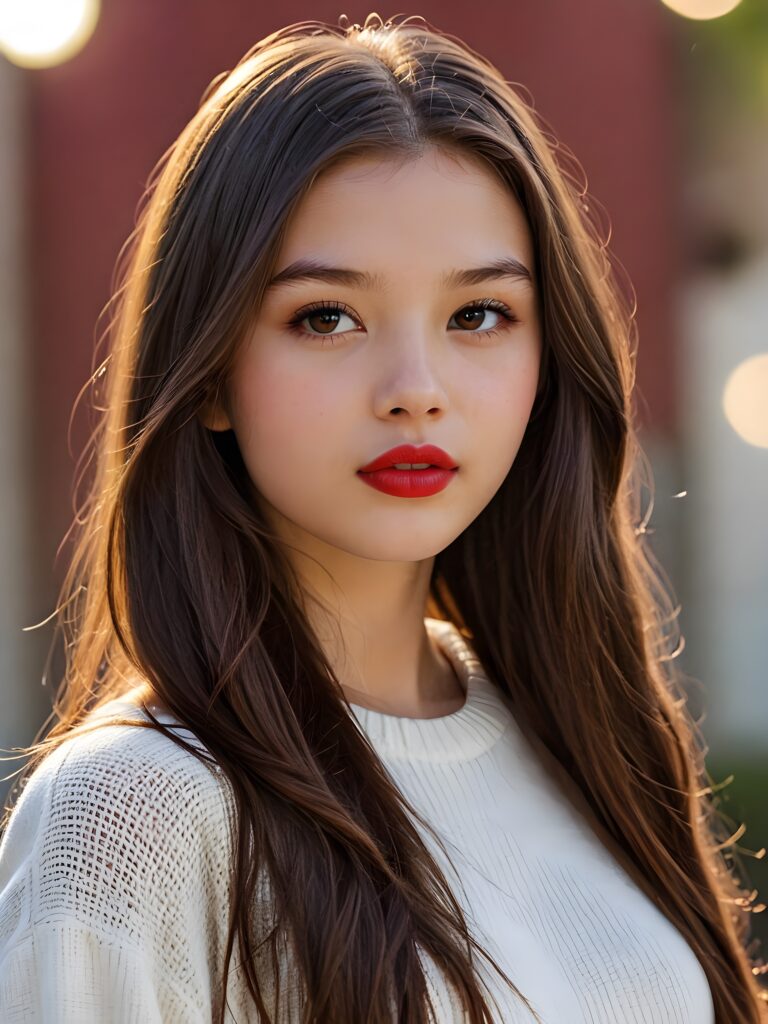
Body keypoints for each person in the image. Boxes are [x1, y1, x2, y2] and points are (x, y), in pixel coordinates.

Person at [0, 12, 765, 1023]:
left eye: (478, 315)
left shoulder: (583, 745)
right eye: (326, 317)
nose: (416, 390)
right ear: (211, 370)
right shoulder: (133, 812)